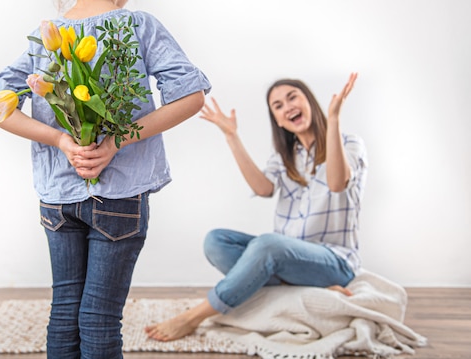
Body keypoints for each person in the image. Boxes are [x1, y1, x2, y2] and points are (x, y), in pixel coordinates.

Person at [0, 0, 211, 358]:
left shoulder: (47, 37)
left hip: (58, 197)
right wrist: (116, 142)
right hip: (119, 195)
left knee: (65, 310)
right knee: (100, 316)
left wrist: (60, 140)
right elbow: (191, 97)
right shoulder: (135, 25)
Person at [145, 73, 367, 342]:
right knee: (216, 241)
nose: (288, 107)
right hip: (287, 259)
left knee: (268, 245)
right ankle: (306, 287)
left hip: (334, 262)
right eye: (278, 106)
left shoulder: (348, 143)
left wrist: (333, 120)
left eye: (292, 97)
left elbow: (337, 183)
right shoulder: (285, 156)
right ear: (278, 119)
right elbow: (263, 189)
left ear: (309, 100)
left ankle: (194, 316)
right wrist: (231, 136)